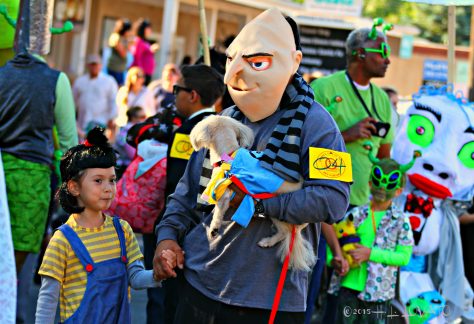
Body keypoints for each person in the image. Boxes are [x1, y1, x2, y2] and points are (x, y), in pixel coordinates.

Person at [153, 9, 350, 323]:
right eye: (233, 61)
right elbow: (186, 193)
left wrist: (261, 204)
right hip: (198, 284)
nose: (236, 75)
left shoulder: (319, 126)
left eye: (257, 62)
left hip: (268, 301)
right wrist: (167, 238)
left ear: (293, 62)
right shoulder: (224, 120)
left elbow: (334, 200)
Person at [34, 127, 175, 324]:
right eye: (98, 181)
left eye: (112, 180)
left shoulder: (122, 231)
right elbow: (48, 298)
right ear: (74, 187)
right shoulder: (62, 240)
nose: (108, 188)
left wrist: (157, 275)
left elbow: (135, 277)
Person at [128, 63, 225, 324]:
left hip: (180, 231)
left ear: (192, 95)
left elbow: (179, 184)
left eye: (177, 89)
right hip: (208, 232)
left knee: (163, 300)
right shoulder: (222, 127)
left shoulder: (188, 133)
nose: (174, 95)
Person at [0, 53, 78, 275]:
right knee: (17, 260)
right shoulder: (56, 79)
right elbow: (68, 142)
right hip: (33, 179)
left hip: (2, 170)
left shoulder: (2, 74)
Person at [311, 25, 394, 208]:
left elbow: (384, 158)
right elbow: (305, 147)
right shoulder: (324, 88)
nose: (388, 60)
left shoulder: (382, 99)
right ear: (360, 54)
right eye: (383, 52)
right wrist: (347, 135)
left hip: (362, 206)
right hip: (324, 201)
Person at [328, 148, 414, 323]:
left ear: (398, 191)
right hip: (348, 287)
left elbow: (404, 257)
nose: (382, 187)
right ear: (369, 183)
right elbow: (336, 241)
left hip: (379, 293)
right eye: (378, 181)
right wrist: (335, 260)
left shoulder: (401, 221)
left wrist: (370, 254)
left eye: (389, 183)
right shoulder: (355, 214)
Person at [73, 54, 118, 140]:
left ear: (100, 65)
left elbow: (113, 101)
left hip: (101, 122)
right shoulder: (80, 81)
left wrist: (112, 117)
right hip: (83, 123)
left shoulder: (109, 81)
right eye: (92, 64)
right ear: (88, 65)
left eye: (96, 64)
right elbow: (73, 101)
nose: (94, 67)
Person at [114, 106, 147, 178]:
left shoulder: (134, 130)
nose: (145, 119)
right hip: (124, 169)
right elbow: (132, 155)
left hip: (129, 167)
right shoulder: (127, 132)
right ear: (133, 118)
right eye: (142, 117)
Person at [131, 18, 159, 85]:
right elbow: (137, 57)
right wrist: (140, 73)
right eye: (148, 28)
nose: (150, 30)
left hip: (147, 74)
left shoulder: (145, 42)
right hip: (142, 75)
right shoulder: (139, 41)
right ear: (143, 29)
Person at [106, 18, 133, 86]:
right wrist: (129, 44)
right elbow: (123, 53)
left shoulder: (124, 38)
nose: (130, 32)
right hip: (114, 67)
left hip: (121, 69)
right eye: (129, 30)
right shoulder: (116, 37)